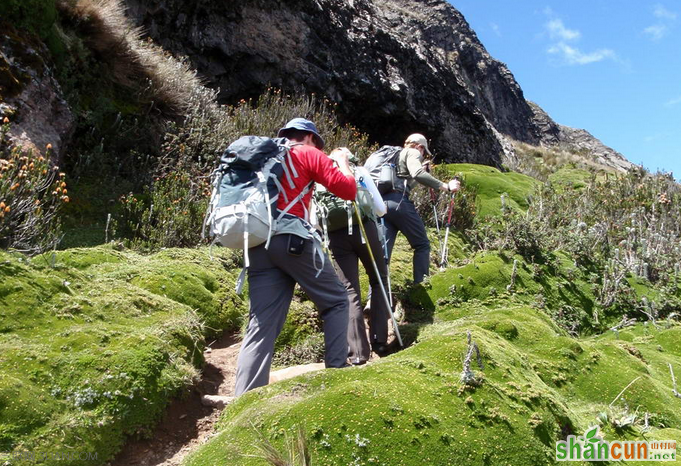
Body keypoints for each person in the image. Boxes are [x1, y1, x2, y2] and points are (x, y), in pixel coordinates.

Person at [234, 118, 357, 396]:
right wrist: (341, 161)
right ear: (310, 138)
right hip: (292, 240)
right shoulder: (307, 152)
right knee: (337, 301)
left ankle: (244, 398)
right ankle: (337, 374)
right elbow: (348, 190)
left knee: (261, 324)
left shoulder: (265, 158)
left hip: (257, 242)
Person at [318, 148, 391, 365]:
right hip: (363, 228)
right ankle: (379, 339)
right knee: (378, 279)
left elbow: (315, 218)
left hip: (336, 236)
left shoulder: (321, 179)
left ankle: (358, 353)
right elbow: (380, 209)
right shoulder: (359, 172)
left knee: (349, 290)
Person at [381, 133, 459, 284]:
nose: (423, 155)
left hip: (382, 205)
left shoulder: (394, 155)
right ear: (420, 147)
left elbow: (406, 181)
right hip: (399, 203)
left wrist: (421, 169)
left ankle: (375, 298)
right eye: (424, 152)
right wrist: (446, 186)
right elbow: (417, 173)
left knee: (383, 253)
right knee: (422, 245)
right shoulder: (413, 152)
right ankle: (421, 286)